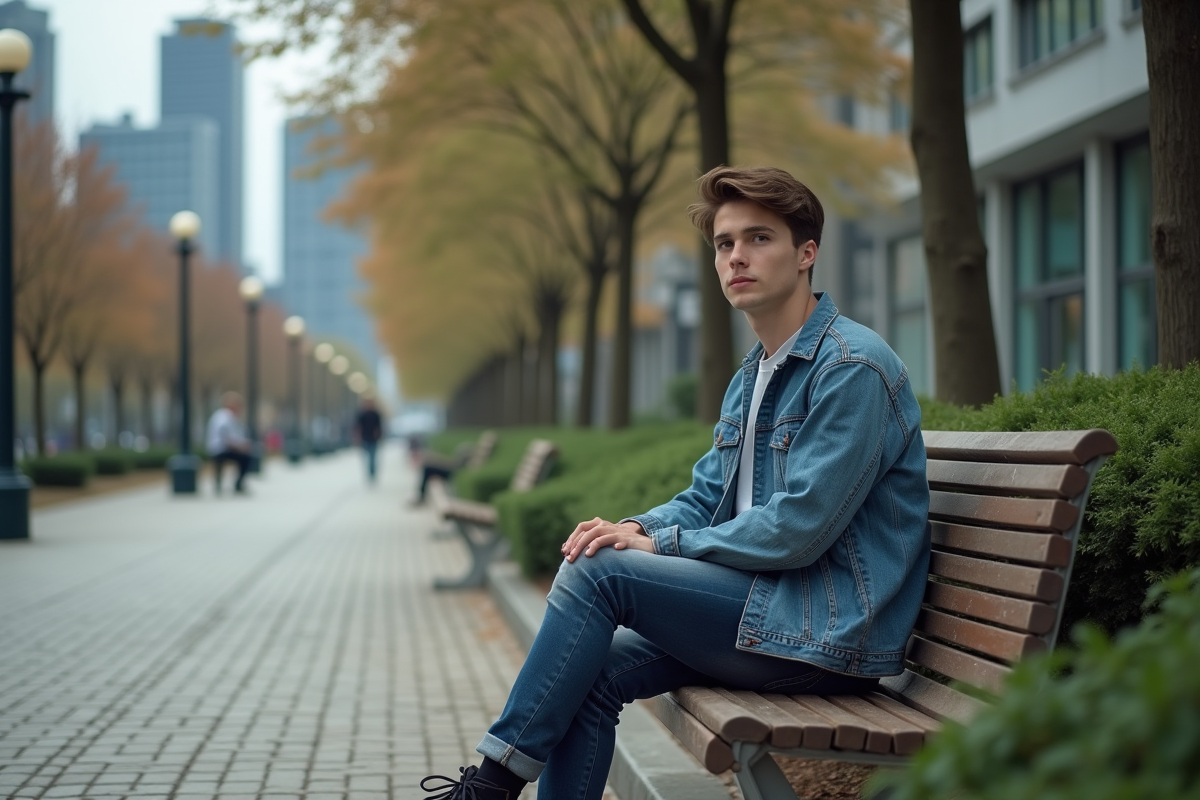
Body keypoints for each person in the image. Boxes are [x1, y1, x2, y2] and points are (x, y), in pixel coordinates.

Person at [420, 167, 931, 800]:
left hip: (824, 634)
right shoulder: (755, 375)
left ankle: (491, 786)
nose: (737, 256)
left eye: (759, 238)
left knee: (599, 574)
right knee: (591, 667)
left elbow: (799, 528)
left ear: (807, 254)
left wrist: (659, 549)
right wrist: (634, 528)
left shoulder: (852, 367)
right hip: (765, 611)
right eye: (724, 243)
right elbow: (704, 497)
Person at [206, 392, 253, 495]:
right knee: (246, 458)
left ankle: (235, 484)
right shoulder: (226, 416)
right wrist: (241, 447)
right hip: (221, 449)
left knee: (244, 456)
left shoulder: (220, 415)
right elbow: (226, 437)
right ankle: (238, 484)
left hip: (216, 448)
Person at [354, 396, 384, 482]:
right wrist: (357, 438)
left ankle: (372, 473)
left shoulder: (375, 414)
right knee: (366, 458)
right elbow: (358, 427)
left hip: (373, 439)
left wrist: (379, 436)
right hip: (365, 439)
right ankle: (369, 472)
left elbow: (379, 427)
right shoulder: (362, 414)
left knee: (373, 457)